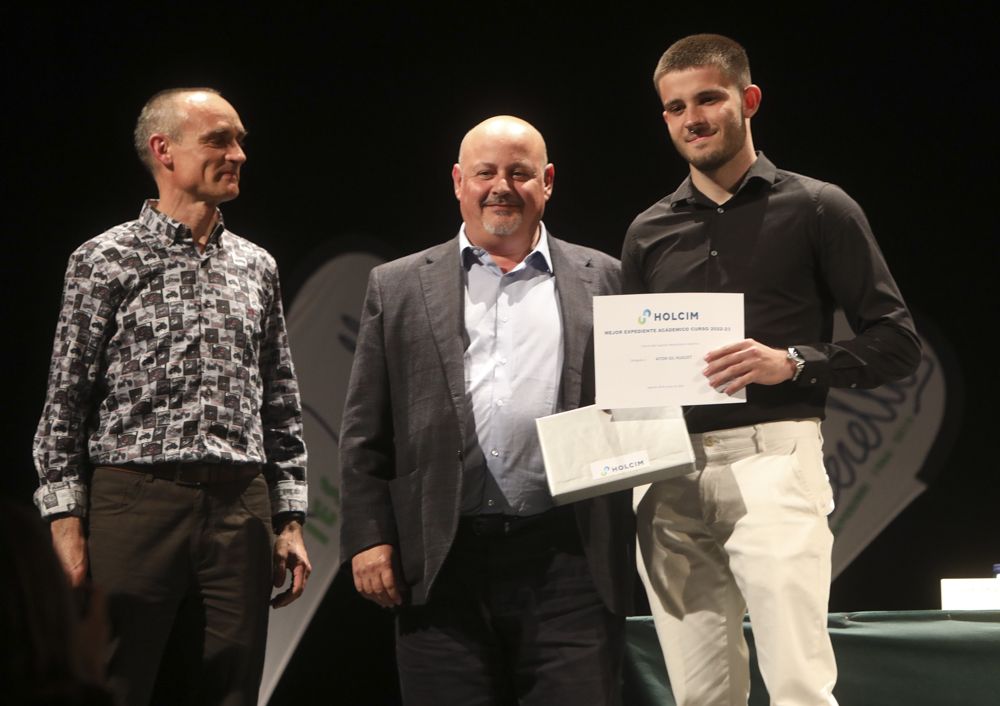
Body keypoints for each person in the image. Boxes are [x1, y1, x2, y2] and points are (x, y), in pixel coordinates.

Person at [622, 35, 921, 706]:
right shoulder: (647, 231)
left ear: (748, 100)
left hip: (774, 463)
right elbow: (632, 371)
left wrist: (792, 364)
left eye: (707, 98)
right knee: (701, 698)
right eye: (674, 108)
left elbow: (897, 343)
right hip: (669, 478)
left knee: (798, 687)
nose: (691, 118)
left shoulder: (818, 207)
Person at [339, 115, 634, 705]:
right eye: (485, 172)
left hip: (569, 560)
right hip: (442, 562)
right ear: (457, 181)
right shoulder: (395, 286)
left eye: (520, 173)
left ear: (547, 182)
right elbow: (364, 430)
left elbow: (640, 406)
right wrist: (369, 537)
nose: (502, 186)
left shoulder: (606, 278)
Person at [32, 87, 312, 706]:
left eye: (240, 140)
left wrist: (289, 518)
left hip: (241, 501)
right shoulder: (104, 260)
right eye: (219, 139)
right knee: (113, 681)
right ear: (164, 150)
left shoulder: (256, 265)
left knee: (234, 687)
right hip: (134, 499)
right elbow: (65, 403)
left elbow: (281, 400)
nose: (238, 153)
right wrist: (65, 524)